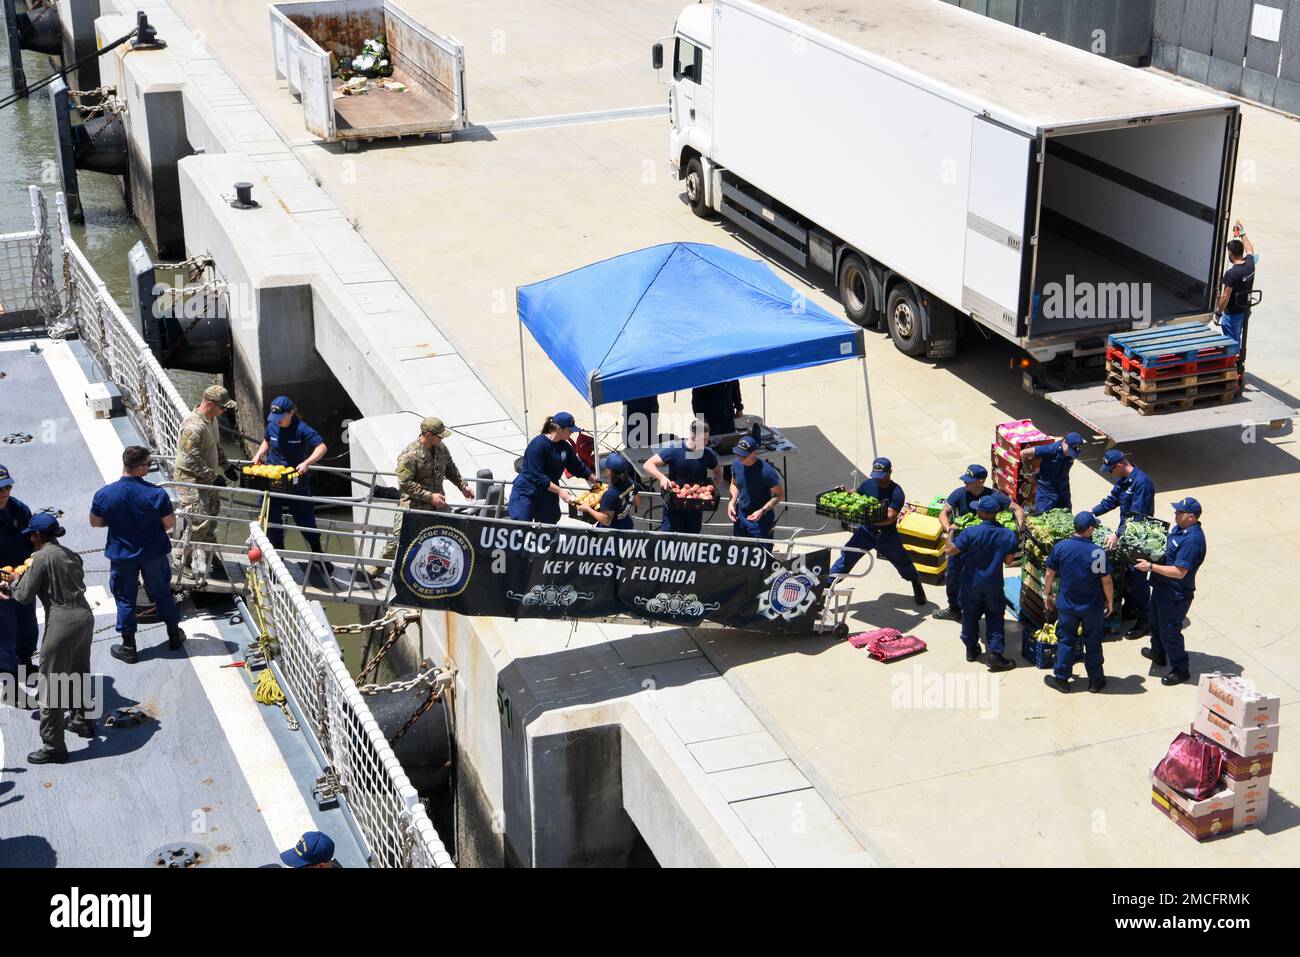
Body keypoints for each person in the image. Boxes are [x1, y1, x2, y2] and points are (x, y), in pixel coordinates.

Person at [1, 514, 95, 764]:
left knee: (52, 685)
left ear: (38, 536)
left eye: (32, 534)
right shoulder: (70, 554)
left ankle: (54, 746)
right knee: (79, 671)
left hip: (61, 620)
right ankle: (83, 720)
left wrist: (9, 583)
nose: (30, 538)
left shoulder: (39, 558)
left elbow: (22, 596)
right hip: (85, 616)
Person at [90, 446, 185, 664]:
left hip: (123, 557)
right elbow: (169, 524)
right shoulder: (157, 494)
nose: (150, 468)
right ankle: (174, 637)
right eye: (149, 465)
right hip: (153, 555)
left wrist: (116, 522)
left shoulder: (104, 494)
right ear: (140, 467)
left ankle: (129, 647)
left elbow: (95, 522)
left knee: (125, 599)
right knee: (162, 593)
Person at [377, 417, 475, 569]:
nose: (442, 438)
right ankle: (378, 567)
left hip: (437, 505)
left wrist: (462, 486)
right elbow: (404, 484)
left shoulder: (441, 448)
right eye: (439, 435)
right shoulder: (410, 455)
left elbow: (450, 468)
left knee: (444, 538)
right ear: (428, 435)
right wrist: (430, 496)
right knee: (399, 539)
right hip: (413, 504)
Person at [828, 457, 927, 606]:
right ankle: (826, 586)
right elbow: (858, 494)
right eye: (876, 476)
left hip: (886, 536)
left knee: (902, 562)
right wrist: (846, 492)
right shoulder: (869, 483)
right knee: (846, 557)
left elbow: (890, 517)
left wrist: (867, 519)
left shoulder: (896, 492)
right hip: (865, 533)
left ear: (890, 472)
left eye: (882, 476)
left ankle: (915, 583)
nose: (879, 480)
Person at [935, 464, 1023, 622]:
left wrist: (1017, 529)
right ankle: (954, 609)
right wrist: (949, 528)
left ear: (981, 482)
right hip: (961, 544)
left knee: (980, 578)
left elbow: (1017, 509)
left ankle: (974, 610)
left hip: (982, 546)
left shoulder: (993, 496)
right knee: (953, 576)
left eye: (969, 481)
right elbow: (944, 513)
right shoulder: (959, 494)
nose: (965, 483)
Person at [251, 397, 330, 569]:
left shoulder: (301, 429)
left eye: (280, 418)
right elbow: (266, 440)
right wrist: (259, 455)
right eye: (274, 418)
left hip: (295, 481)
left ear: (291, 413)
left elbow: (322, 447)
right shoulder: (272, 426)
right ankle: (277, 556)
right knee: (271, 520)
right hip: (272, 480)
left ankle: (317, 554)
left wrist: (307, 462)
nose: (277, 421)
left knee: (305, 519)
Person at [1137, 498, 1207, 687]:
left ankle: (1180, 669)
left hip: (1175, 594)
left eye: (1179, 512)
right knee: (1154, 622)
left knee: (1170, 632)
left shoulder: (1193, 541)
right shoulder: (1179, 529)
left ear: (1191, 518)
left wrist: (1150, 566)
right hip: (1161, 588)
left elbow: (1179, 572)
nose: (1175, 514)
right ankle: (1158, 653)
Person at [174, 384, 241, 579]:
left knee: (211, 514)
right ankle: (182, 558)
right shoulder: (194, 426)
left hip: (205, 477)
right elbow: (189, 459)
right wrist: (213, 476)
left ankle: (207, 552)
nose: (225, 411)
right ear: (209, 404)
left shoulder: (211, 420)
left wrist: (226, 466)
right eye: (223, 407)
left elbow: (215, 446)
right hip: (190, 480)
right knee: (199, 519)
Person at [944, 495, 1018, 671]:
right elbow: (1008, 561)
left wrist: (951, 532)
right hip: (993, 584)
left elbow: (950, 550)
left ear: (982, 513)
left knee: (970, 614)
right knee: (995, 616)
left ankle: (971, 648)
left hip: (971, 583)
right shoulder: (1008, 535)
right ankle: (996, 654)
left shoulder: (971, 532)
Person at [1042, 512, 1113, 694]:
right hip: (1092, 607)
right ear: (1089, 529)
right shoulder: (1098, 552)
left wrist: (1047, 595)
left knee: (1066, 641)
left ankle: (1062, 680)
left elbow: (1050, 574)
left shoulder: (1061, 547)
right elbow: (1106, 580)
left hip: (1068, 606)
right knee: (1093, 642)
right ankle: (1096, 681)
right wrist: (1110, 602)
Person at [1090, 449, 1156, 638]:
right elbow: (1112, 500)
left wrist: (1117, 534)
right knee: (1127, 576)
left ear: (1119, 465)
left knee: (1137, 579)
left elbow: (1137, 515)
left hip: (1138, 538)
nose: (1110, 474)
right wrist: (1092, 513)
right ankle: (1132, 609)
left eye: (1110, 470)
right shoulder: (1123, 480)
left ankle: (1145, 620)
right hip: (1126, 534)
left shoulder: (1142, 483)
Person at [507, 412, 598, 524]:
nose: (571, 433)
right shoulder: (537, 445)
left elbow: (577, 466)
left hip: (548, 492)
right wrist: (560, 491)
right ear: (559, 429)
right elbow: (537, 476)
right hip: (528, 489)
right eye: (569, 430)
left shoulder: (565, 447)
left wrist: (595, 480)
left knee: (549, 524)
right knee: (522, 524)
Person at [642, 418, 723, 534]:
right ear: (693, 437)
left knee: (691, 540)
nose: (706, 442)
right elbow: (648, 464)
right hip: (674, 504)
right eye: (703, 440)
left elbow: (718, 472)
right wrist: (662, 477)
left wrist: (712, 490)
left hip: (696, 507)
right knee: (669, 540)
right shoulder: (676, 450)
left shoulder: (708, 454)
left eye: (707, 439)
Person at [0, 464, 39, 680]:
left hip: (22, 580)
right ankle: (9, 672)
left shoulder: (18, 509)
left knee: (29, 628)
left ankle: (24, 661)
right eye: (0, 489)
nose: (5, 493)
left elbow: (35, 540)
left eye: (8, 487)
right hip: (2, 586)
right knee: (5, 633)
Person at [727, 435, 783, 550]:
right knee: (739, 552)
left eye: (743, 455)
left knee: (762, 554)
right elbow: (734, 484)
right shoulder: (736, 464)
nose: (739, 457)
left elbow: (779, 495)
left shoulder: (767, 472)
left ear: (753, 453)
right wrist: (731, 503)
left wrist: (762, 511)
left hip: (761, 521)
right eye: (738, 454)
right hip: (741, 515)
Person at [1215, 220, 1257, 347]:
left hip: (1233, 314)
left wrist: (1218, 313)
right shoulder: (1250, 264)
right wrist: (1242, 234)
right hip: (1245, 309)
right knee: (1237, 335)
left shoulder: (1231, 274)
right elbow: (1250, 249)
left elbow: (1225, 296)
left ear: (1230, 253)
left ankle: (1234, 362)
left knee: (1232, 342)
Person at [1020, 431, 1083, 513]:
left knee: (1066, 515)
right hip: (1046, 491)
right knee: (1042, 517)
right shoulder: (1050, 449)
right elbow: (1023, 453)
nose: (1070, 454)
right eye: (1070, 450)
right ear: (1064, 442)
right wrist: (1029, 473)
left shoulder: (1072, 453)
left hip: (1063, 489)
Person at [577, 453, 639, 529]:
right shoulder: (631, 483)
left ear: (609, 471)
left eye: (606, 468)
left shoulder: (610, 494)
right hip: (627, 525)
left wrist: (588, 509)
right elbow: (637, 502)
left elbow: (606, 521)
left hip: (611, 534)